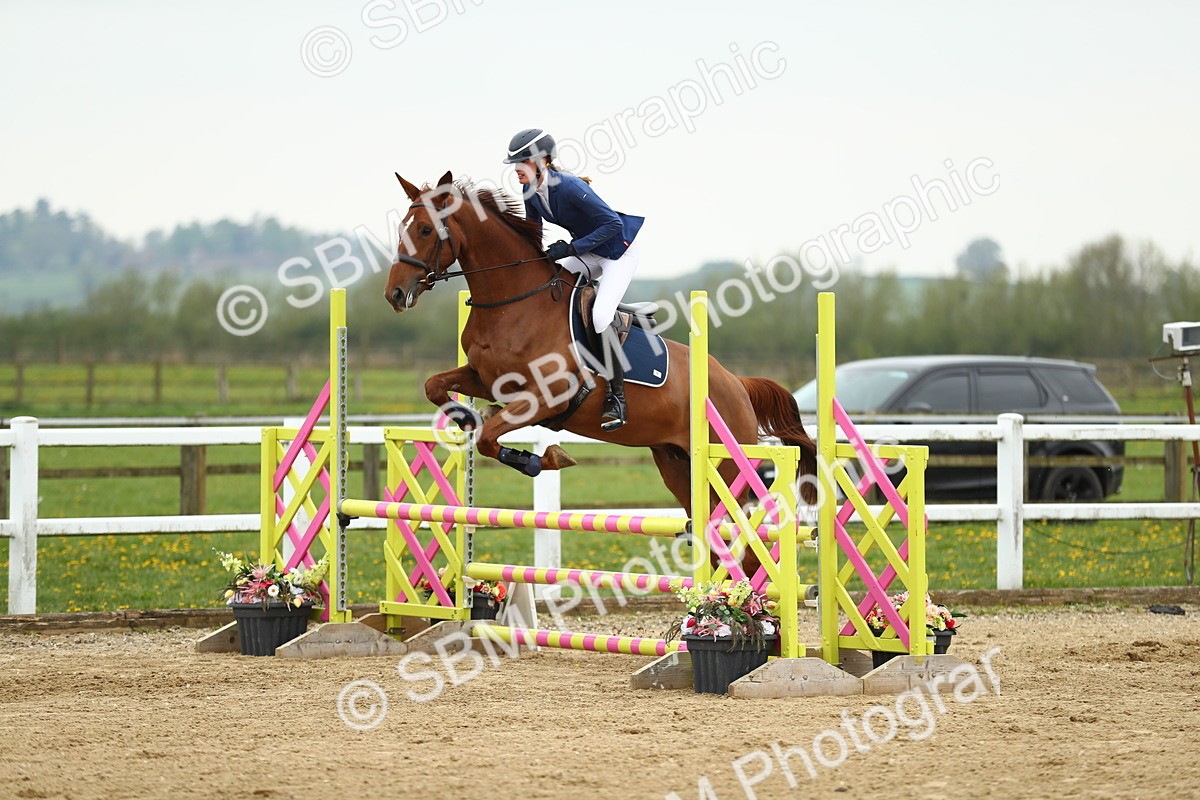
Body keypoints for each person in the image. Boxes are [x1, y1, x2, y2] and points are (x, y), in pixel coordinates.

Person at [503, 127, 645, 432]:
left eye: (522, 163)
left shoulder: (566, 187)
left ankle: (616, 398)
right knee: (550, 285)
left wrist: (571, 248)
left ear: (541, 161)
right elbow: (533, 230)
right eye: (515, 164)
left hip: (618, 251)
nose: (516, 170)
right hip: (590, 251)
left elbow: (612, 223)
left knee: (600, 316)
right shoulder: (531, 190)